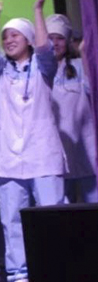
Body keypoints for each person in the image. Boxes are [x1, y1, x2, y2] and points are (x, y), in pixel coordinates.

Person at [0, 0, 65, 282]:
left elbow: (44, 48)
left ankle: (57, 269)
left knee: (52, 216)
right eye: (6, 36)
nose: (8, 40)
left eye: (15, 35)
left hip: (42, 153)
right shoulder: (1, 70)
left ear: (28, 39)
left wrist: (38, 11)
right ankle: (20, 274)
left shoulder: (44, 67)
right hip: (7, 156)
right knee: (12, 220)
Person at [46, 14, 97, 203]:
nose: (55, 43)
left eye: (59, 38)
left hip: (84, 150)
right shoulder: (38, 70)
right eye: (50, 38)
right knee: (61, 212)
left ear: (67, 42)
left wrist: (84, 53)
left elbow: (92, 89)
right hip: (55, 153)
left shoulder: (78, 67)